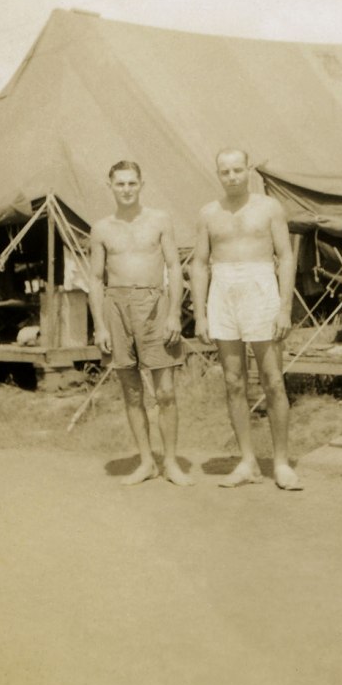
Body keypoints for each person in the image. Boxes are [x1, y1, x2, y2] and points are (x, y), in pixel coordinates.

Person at [190, 148, 303, 490]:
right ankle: (247, 461)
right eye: (225, 172)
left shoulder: (269, 208)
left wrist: (284, 307)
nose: (232, 177)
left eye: (238, 170)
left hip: (260, 288)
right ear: (218, 174)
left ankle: (281, 463)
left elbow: (285, 257)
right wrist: (200, 314)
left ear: (248, 170)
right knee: (233, 381)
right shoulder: (209, 213)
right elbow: (198, 263)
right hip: (223, 290)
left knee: (272, 379)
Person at [89, 160, 194, 486]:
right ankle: (147, 461)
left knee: (165, 392)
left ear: (141, 184)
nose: (126, 189)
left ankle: (171, 462)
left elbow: (175, 267)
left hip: (154, 304)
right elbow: (94, 278)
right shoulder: (101, 228)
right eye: (120, 183)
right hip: (116, 307)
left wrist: (175, 312)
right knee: (132, 392)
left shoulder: (160, 220)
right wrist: (100, 326)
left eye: (132, 183)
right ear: (110, 186)